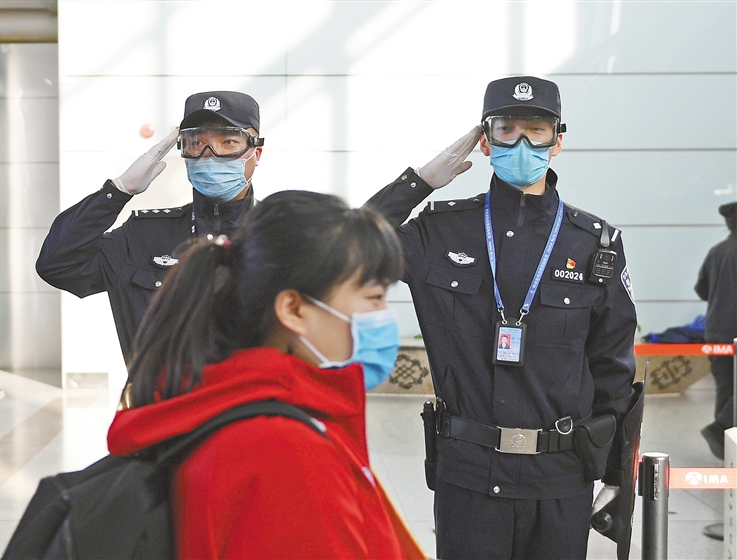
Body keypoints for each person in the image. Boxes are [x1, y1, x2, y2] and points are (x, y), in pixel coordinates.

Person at [366, 76, 637, 559]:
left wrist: (619, 475)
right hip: (468, 477)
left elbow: (613, 369)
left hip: (560, 478)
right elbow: (347, 248)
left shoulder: (594, 244)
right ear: (485, 141)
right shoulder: (438, 232)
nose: (523, 143)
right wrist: (419, 183)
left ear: (557, 142)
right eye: (507, 129)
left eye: (537, 130)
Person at [107, 190, 425, 559]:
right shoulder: (285, 450)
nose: (385, 315)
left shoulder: (239, 403)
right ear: (294, 310)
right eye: (374, 297)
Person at [36, 91, 263, 363]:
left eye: (228, 142)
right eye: (196, 143)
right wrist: (116, 192)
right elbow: (58, 265)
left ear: (256, 152)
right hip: (160, 391)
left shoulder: (280, 236)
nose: (210, 155)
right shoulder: (143, 236)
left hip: (253, 391)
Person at [696, 201, 737, 459]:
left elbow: (702, 290)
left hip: (715, 332)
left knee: (725, 387)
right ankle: (720, 429)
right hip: (734, 332)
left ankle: (726, 448)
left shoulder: (716, 251)